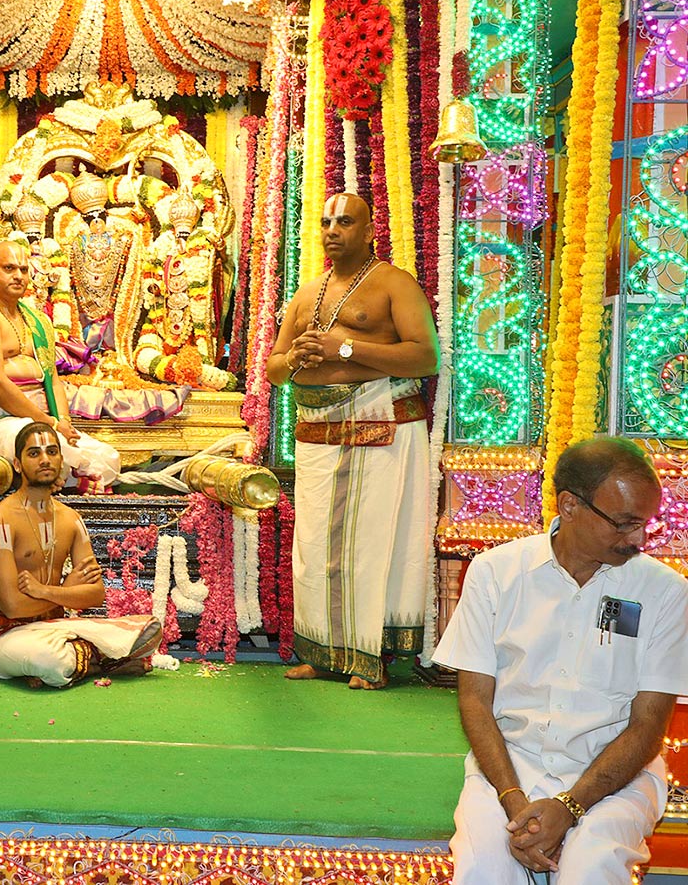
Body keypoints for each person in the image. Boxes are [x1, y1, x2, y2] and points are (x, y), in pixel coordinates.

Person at [433, 437, 688, 884]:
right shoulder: (496, 572)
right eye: (625, 524)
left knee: (589, 868)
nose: (639, 539)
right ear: (569, 506)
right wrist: (514, 802)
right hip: (509, 768)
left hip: (615, 780)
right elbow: (475, 701)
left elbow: (648, 728)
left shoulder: (664, 591)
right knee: (484, 870)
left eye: (645, 524)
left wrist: (569, 808)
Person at [266, 192, 438, 689]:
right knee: (315, 546)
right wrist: (297, 356)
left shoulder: (393, 283)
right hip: (318, 433)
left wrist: (344, 346)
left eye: (345, 222)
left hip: (379, 424)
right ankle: (321, 652)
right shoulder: (308, 291)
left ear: (368, 230)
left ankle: (370, 659)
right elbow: (275, 370)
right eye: (325, 222)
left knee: (371, 543)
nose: (332, 231)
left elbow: (426, 358)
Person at [0, 422, 161, 687]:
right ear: (17, 464)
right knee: (48, 658)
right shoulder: (1, 519)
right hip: (4, 633)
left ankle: (81, 658)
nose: (44, 460)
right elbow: (13, 606)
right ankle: (97, 660)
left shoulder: (71, 519)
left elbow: (95, 594)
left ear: (61, 459)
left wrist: (48, 591)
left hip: (54, 626)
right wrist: (66, 592)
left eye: (52, 452)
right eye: (34, 453)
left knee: (149, 628)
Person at [0, 240, 120, 491]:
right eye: (9, 268)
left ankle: (67, 476)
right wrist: (50, 424)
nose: (18, 276)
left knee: (107, 457)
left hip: (38, 421)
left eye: (24, 269)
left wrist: (62, 421)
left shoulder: (37, 320)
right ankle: (71, 478)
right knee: (37, 442)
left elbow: (52, 379)